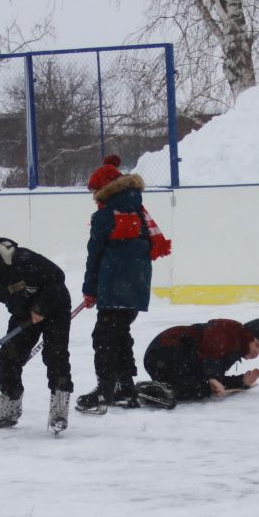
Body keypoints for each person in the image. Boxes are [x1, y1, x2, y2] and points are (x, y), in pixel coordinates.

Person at [76, 153, 170, 414]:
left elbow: (95, 256)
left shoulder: (105, 216)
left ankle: (107, 388)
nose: (93, 195)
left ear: (102, 190)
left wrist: (89, 290)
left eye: (94, 190)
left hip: (113, 287)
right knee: (119, 335)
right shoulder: (139, 211)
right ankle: (125, 387)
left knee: (104, 338)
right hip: (136, 289)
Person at [0, 233, 76, 434]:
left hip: (54, 305)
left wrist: (40, 307)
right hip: (23, 312)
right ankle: (10, 405)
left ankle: (59, 406)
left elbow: (57, 277)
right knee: (8, 357)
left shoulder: (21, 261)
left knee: (55, 356)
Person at [137, 318, 259, 408]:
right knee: (200, 385)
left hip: (166, 359)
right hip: (166, 349)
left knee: (202, 388)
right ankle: (154, 390)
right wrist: (212, 377)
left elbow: (216, 379)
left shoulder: (233, 349)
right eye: (257, 345)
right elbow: (211, 349)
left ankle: (159, 390)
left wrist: (242, 381)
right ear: (248, 335)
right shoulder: (229, 330)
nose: (257, 353)